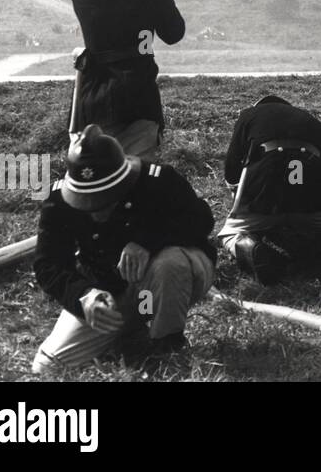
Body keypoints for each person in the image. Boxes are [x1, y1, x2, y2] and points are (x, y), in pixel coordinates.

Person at [32, 125, 216, 372]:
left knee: (170, 263)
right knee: (47, 366)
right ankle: (130, 328)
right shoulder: (57, 201)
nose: (96, 211)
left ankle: (167, 346)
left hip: (155, 286)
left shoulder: (158, 181)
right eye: (87, 202)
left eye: (104, 200)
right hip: (110, 291)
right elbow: (48, 264)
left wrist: (147, 242)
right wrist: (84, 297)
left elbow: (201, 219)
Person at [72, 0, 185, 159]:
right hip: (138, 99)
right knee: (137, 178)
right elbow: (174, 33)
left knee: (97, 175)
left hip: (93, 102)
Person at [217, 95, 321, 285]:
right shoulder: (312, 121)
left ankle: (249, 249)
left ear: (258, 108)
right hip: (310, 195)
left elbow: (232, 171)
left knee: (229, 232)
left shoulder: (248, 115)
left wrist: (240, 195)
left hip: (265, 192)